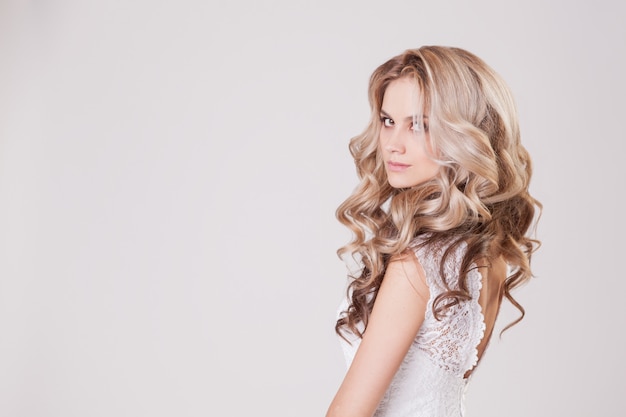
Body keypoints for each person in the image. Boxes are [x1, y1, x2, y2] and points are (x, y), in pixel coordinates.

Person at [325, 46, 541, 417]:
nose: (392, 143)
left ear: (466, 134)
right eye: (388, 120)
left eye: (419, 125)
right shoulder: (490, 252)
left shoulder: (418, 263)